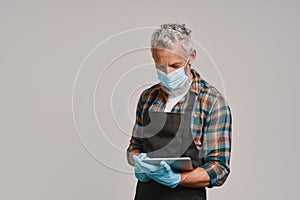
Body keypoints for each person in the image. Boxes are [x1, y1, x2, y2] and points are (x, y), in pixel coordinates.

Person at [126, 23, 232, 200]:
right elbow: (134, 147)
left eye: (175, 66)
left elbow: (219, 169)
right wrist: (138, 162)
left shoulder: (212, 103)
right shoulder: (147, 98)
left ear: (191, 57)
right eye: (161, 67)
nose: (167, 73)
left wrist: (176, 179)